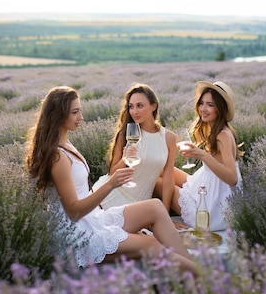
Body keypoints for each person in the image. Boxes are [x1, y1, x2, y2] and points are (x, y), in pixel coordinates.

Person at [25, 86, 198, 275]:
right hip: (77, 233)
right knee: (152, 244)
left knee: (155, 207)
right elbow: (74, 212)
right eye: (75, 112)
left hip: (93, 219)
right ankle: (203, 278)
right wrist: (110, 184)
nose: (80, 117)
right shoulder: (57, 157)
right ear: (58, 115)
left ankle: (196, 271)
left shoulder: (66, 144)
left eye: (80, 111)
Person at [158, 81, 244, 231]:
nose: (203, 109)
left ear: (220, 109)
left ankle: (160, 218)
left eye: (210, 105)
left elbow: (232, 178)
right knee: (159, 170)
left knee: (157, 182)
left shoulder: (223, 135)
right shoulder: (217, 129)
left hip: (212, 206)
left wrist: (203, 155)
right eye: (202, 103)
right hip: (206, 185)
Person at [92, 83, 177, 212]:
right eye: (131, 107)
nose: (134, 112)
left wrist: (164, 212)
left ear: (153, 106)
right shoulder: (125, 133)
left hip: (140, 204)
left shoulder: (169, 137)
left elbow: (168, 180)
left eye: (140, 106)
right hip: (111, 197)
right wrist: (124, 158)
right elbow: (112, 173)